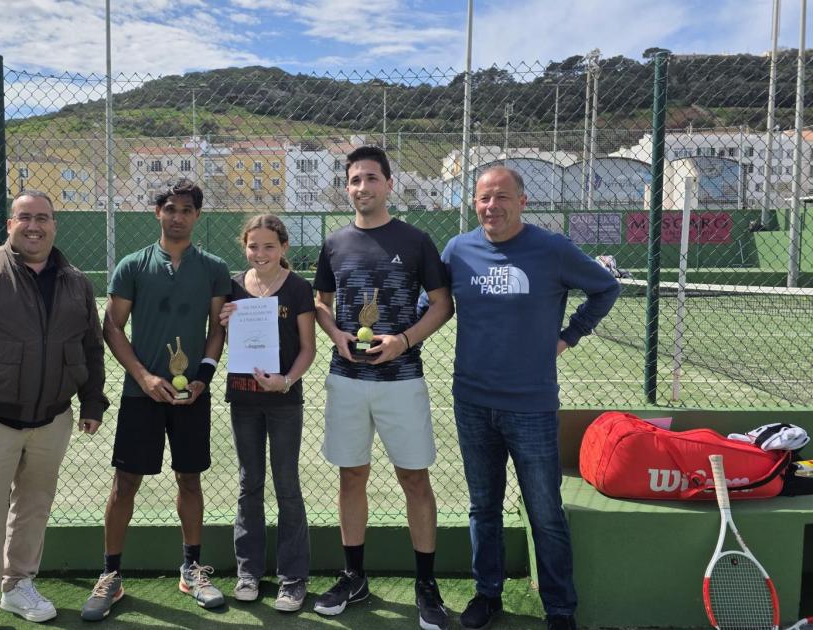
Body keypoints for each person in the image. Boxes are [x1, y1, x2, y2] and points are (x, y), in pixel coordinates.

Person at [446, 167, 621, 630]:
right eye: (484, 198)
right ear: (474, 203)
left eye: (502, 197)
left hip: (532, 406)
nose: (492, 206)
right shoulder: (458, 250)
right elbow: (433, 303)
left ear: (522, 202)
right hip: (471, 402)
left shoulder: (552, 249)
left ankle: (560, 609)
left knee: (545, 513)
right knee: (483, 507)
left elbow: (606, 288)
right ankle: (488, 594)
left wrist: (569, 336)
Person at [0, 191, 108, 630]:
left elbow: (90, 346)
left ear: (54, 226)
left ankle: (18, 585)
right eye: (25, 217)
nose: (34, 226)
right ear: (10, 224)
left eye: (42, 218)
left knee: (34, 509)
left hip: (53, 419)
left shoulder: (75, 281)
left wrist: (92, 400)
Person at [312, 146, 455, 630]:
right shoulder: (334, 243)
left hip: (402, 380)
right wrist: (336, 335)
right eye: (354, 180)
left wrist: (404, 341)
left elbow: (442, 304)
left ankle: (426, 585)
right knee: (351, 477)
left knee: (414, 479)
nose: (362, 187)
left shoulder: (415, 240)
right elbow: (321, 302)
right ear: (347, 187)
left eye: (371, 178)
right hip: (347, 380)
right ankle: (354, 577)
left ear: (389, 184)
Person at [81, 179, 231, 621]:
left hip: (191, 397)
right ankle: (111, 575)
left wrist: (202, 377)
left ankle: (192, 570)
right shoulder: (132, 265)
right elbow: (112, 327)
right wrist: (144, 377)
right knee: (125, 483)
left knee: (190, 479)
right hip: (140, 395)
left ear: (197, 215)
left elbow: (217, 328)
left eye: (186, 210)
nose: (178, 216)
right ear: (157, 212)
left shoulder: (215, 268)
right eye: (170, 208)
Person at [218, 214, 316, 611]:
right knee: (249, 484)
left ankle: (293, 578)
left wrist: (286, 380)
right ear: (244, 246)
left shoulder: (299, 288)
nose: (260, 253)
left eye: (269, 246)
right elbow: (234, 347)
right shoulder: (233, 287)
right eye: (253, 246)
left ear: (284, 248)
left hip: (284, 402)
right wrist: (226, 324)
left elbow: (308, 348)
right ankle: (249, 572)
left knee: (287, 485)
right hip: (243, 401)